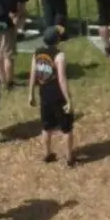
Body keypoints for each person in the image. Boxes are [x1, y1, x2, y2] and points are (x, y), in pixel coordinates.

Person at [28, 28, 76, 166]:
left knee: (46, 126)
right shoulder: (59, 55)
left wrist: (30, 93)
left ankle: (47, 154)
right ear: (57, 40)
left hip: (44, 94)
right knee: (66, 127)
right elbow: (62, 79)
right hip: (57, 95)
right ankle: (69, 158)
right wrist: (68, 100)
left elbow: (33, 74)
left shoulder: (37, 53)